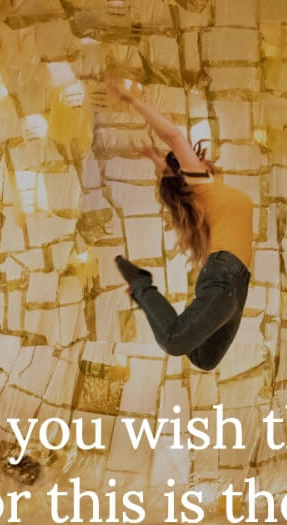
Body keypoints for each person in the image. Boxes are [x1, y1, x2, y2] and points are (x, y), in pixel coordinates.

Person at [107, 80, 254, 371]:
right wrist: (133, 101)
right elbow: (173, 136)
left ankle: (144, 296)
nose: (200, 157)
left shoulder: (209, 193)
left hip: (237, 283)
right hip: (224, 275)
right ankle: (141, 285)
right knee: (175, 342)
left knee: (204, 358)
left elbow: (170, 169)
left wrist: (153, 158)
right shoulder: (201, 185)